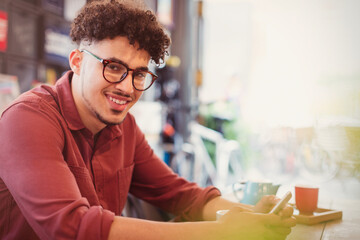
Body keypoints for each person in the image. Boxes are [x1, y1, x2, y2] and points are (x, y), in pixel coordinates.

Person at [0, 0, 296, 239]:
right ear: (77, 62)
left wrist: (249, 215)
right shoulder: (27, 119)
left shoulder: (123, 126)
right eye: (114, 67)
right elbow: (72, 228)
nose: (127, 88)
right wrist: (221, 232)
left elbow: (179, 194)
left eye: (139, 74)